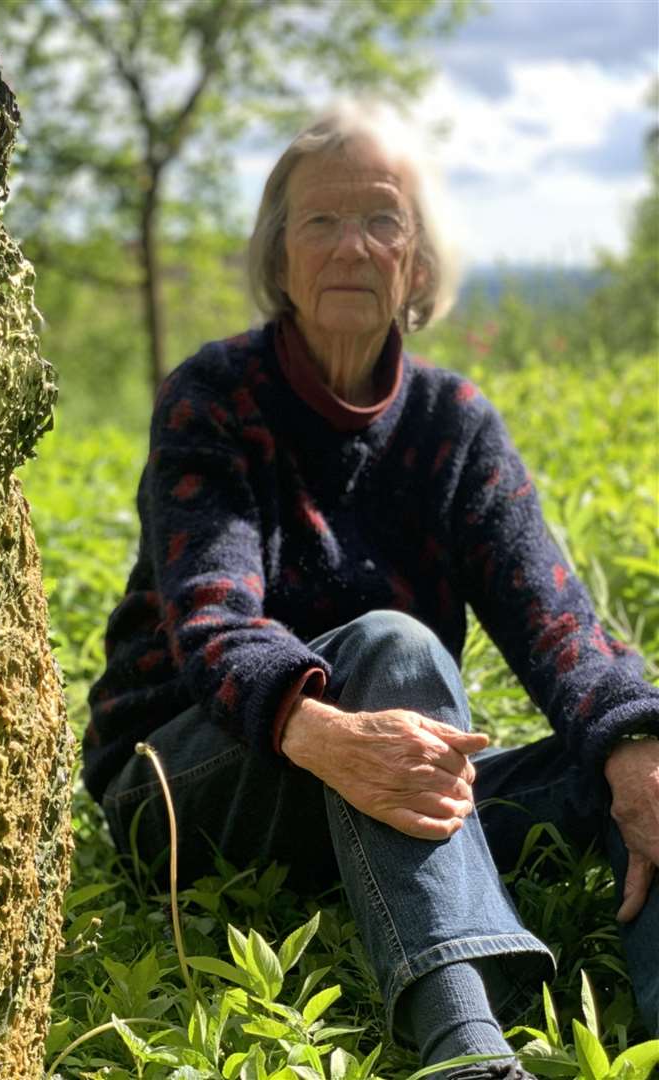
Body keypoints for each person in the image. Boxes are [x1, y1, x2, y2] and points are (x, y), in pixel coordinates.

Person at [83, 104, 659, 1074]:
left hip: (376, 777)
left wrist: (634, 740)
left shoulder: (453, 426)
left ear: (418, 263)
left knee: (631, 769)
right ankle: (468, 1047)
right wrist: (326, 734)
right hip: (186, 781)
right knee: (393, 648)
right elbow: (213, 627)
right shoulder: (213, 399)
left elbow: (559, 625)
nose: (352, 245)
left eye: (382, 220)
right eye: (319, 222)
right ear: (280, 258)